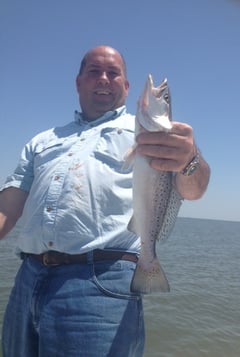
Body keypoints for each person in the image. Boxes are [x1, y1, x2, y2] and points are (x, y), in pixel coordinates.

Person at [0, 45, 210, 357]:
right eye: (94, 71)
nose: (104, 78)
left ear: (127, 87)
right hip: (27, 277)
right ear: (78, 82)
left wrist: (190, 159)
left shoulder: (150, 133)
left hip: (102, 281)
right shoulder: (41, 141)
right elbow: (8, 207)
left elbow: (193, 190)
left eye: (113, 73)